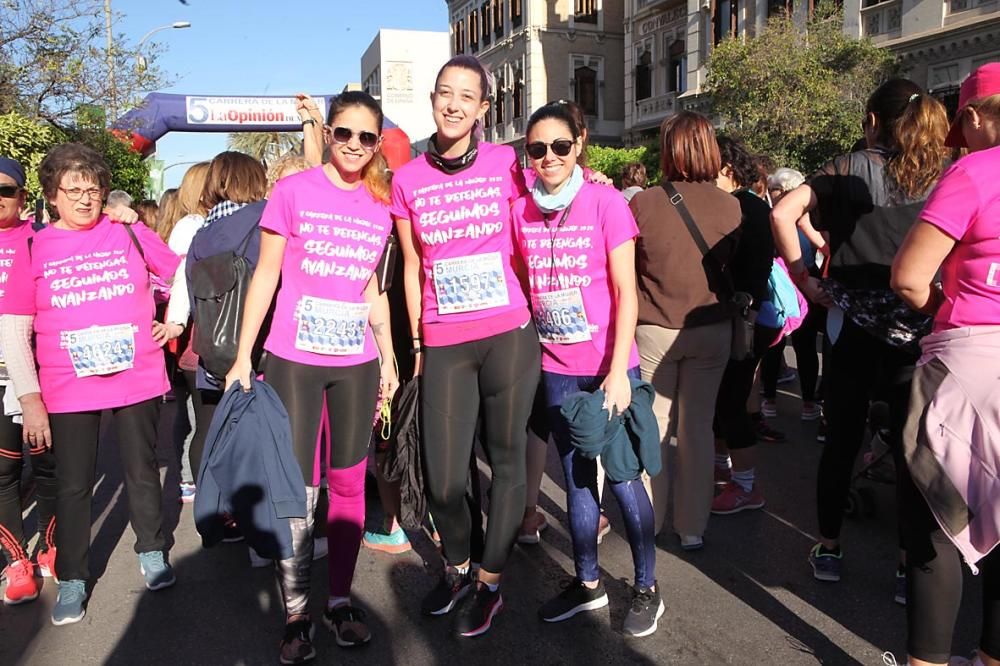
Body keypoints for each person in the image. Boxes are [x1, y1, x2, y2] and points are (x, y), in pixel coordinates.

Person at [226, 91, 399, 664]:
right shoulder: (293, 191)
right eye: (344, 134)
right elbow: (267, 275)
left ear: (376, 143)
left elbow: (370, 287)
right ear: (328, 134)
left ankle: (341, 600)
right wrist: (243, 355)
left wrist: (390, 356)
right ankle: (297, 613)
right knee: (298, 492)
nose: (354, 145)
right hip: (295, 361)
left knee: (350, 485)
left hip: (354, 364)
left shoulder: (380, 202)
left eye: (366, 137)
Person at [771, 79, 949, 597]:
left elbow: (783, 212)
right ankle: (904, 564)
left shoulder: (845, 168)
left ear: (872, 120)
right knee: (912, 450)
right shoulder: (940, 176)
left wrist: (805, 278)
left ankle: (828, 547)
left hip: (849, 326)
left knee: (841, 443)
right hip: (917, 330)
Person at [391, 54, 541, 637]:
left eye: (465, 96)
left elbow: (546, 209)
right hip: (446, 338)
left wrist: (591, 181)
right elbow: (411, 265)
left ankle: (490, 582)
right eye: (443, 93)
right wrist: (418, 341)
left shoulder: (508, 162)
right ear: (433, 101)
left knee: (506, 464)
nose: (452, 104)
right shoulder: (408, 179)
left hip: (507, 333)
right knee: (446, 478)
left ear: (483, 108)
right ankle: (457, 565)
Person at [512, 102, 661, 636]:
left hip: (608, 367)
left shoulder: (605, 203)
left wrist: (620, 370)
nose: (548, 157)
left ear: (579, 145)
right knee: (577, 480)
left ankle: (647, 588)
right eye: (537, 148)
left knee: (621, 479)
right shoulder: (521, 210)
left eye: (559, 146)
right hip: (556, 367)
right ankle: (588, 583)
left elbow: (627, 292)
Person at [28, 143, 180, 626]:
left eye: (92, 189)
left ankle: (152, 550)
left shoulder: (125, 232)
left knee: (141, 470)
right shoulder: (37, 245)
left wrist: (172, 325)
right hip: (67, 382)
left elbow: (177, 272)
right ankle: (73, 575)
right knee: (74, 485)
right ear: (52, 195)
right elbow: (20, 319)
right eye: (72, 190)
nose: (84, 199)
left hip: (135, 374)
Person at [890, 62, 1000, 666]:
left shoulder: (974, 171)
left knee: (936, 521)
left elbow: (908, 278)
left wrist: (947, 299)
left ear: (978, 116)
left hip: (969, 364)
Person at [630, 112, 743, 551]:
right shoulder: (731, 206)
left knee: (654, 425)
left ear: (668, 149)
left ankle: (651, 520)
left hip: (654, 326)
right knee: (697, 428)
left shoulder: (643, 203)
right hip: (710, 328)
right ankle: (692, 525)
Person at [710, 137, 779, 516]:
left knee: (732, 403)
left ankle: (747, 486)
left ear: (727, 168)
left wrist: (747, 304)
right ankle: (723, 474)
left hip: (742, 317)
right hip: (740, 315)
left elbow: (756, 266)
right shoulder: (745, 205)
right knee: (722, 402)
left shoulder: (743, 207)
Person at [0, 157, 57, 605]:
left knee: (48, 465)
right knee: (3, 471)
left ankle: (51, 547)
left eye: (5, 190)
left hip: (39, 371)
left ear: (22, 197)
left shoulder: (41, 238)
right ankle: (17, 560)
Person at [155, 163, 209, 503]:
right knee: (197, 415)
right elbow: (182, 281)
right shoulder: (192, 226)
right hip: (191, 334)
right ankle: (191, 480)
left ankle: (188, 478)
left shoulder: (188, 226)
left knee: (192, 413)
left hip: (187, 332)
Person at [765, 167, 828, 422]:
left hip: (784, 286)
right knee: (804, 347)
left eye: (774, 190)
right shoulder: (812, 219)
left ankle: (771, 399)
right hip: (806, 285)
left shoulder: (775, 218)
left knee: (777, 344)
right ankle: (808, 403)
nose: (771, 194)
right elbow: (825, 248)